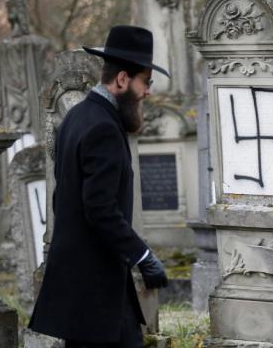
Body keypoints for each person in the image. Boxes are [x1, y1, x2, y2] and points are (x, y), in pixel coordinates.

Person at [29, 26, 170, 347]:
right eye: (145, 81)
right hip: (96, 293)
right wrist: (143, 256)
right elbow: (99, 207)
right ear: (122, 80)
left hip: (84, 291)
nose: (148, 91)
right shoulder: (103, 127)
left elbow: (62, 198)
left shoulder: (79, 116)